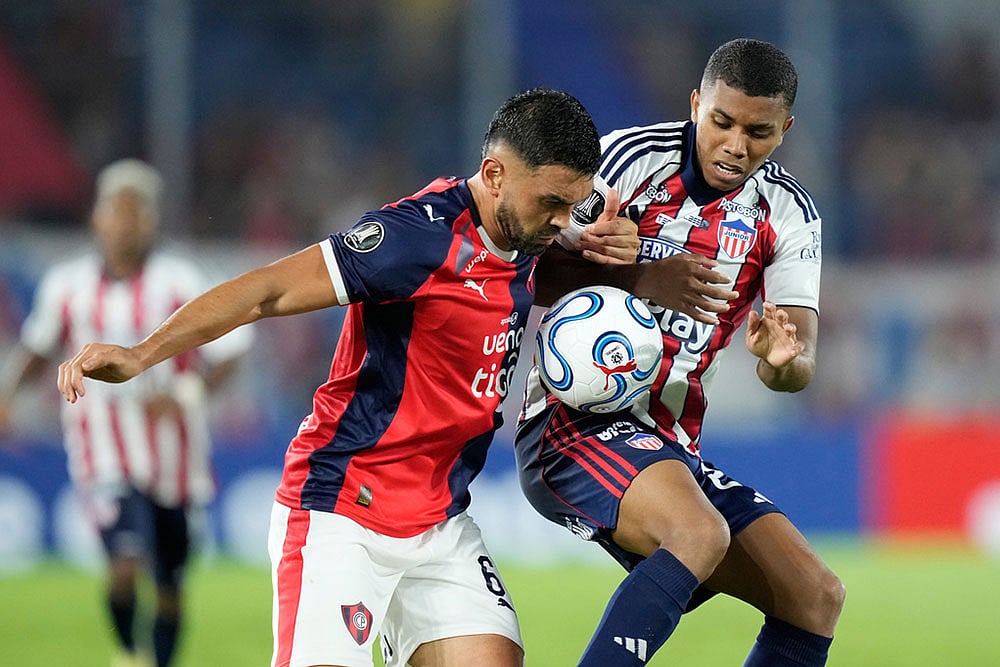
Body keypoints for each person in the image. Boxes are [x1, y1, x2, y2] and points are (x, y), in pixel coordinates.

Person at [56, 88, 642, 667]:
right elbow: (268, 290)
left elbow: (554, 262)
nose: (564, 222)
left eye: (575, 206)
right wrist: (141, 354)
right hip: (343, 509)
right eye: (552, 205)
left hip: (441, 521)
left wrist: (639, 267)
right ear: (493, 174)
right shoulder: (413, 238)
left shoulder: (528, 231)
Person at [516, 38, 845, 665]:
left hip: (670, 445)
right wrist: (628, 271)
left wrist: (782, 361)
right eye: (721, 122)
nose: (735, 145)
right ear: (697, 103)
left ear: (785, 130)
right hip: (571, 425)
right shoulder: (625, 162)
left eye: (759, 131)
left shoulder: (789, 213)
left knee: (815, 596)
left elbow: (799, 365)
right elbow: (528, 272)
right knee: (698, 532)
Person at [0, 158, 252, 667]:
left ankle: (157, 661)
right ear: (97, 219)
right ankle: (127, 652)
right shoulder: (67, 285)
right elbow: (38, 347)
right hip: (101, 451)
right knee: (122, 560)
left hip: (174, 457)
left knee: (169, 586)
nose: (123, 224)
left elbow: (231, 351)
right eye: (115, 212)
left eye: (135, 213)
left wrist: (184, 396)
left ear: (150, 221)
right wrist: (7, 394)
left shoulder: (181, 280)